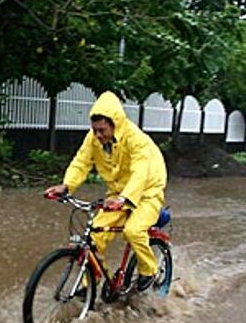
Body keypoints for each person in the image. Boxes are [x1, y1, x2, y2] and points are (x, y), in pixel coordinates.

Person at [45, 91, 168, 292]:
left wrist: (125, 198)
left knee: (133, 231)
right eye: (95, 130)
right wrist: (66, 186)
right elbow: (81, 162)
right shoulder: (94, 139)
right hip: (117, 192)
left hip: (147, 190)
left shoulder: (136, 139)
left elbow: (140, 173)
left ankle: (149, 269)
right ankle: (90, 284)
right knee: (94, 235)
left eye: (102, 130)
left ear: (115, 124)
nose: (98, 135)